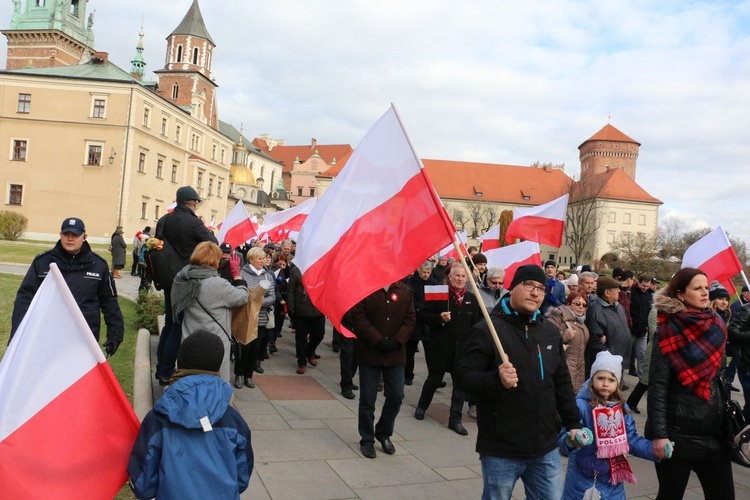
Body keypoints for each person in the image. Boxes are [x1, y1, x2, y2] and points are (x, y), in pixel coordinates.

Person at [454, 264, 582, 499]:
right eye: (529, 285)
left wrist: (573, 422)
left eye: (541, 288)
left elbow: (561, 382)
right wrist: (495, 379)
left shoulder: (549, 332)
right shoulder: (487, 330)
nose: (535, 293)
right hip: (502, 447)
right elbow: (463, 376)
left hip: (545, 445)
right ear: (512, 288)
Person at [128, 331, 253, 499]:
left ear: (181, 362)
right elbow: (242, 478)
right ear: (217, 366)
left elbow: (143, 483)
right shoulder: (234, 421)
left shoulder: (158, 418)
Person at [646, 268, 735, 500]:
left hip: (714, 433)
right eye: (697, 288)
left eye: (706, 287)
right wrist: (659, 434)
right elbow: (657, 386)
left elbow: (721, 378)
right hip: (678, 435)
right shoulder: (668, 329)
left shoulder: (717, 324)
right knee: (670, 495)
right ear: (681, 295)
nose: (705, 293)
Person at [11, 217, 124, 356]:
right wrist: (17, 334)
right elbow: (25, 298)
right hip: (47, 335)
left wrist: (115, 333)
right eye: (66, 234)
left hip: (84, 338)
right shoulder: (42, 262)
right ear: (60, 235)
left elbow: (109, 301)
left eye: (75, 235)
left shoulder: (99, 265)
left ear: (84, 237)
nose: (70, 239)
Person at [559, 351, 660, 499]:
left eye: (611, 380)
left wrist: (655, 450)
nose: (605, 383)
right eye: (600, 378)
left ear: (617, 383)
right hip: (582, 480)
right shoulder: (581, 406)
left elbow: (630, 440)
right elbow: (564, 439)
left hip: (612, 480)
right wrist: (571, 440)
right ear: (592, 379)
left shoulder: (621, 410)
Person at [154, 185, 217, 385]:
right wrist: (204, 228)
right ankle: (165, 372)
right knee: (177, 326)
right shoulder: (194, 223)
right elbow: (212, 244)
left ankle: (160, 368)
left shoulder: (164, 220)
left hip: (166, 278)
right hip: (185, 280)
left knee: (168, 324)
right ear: (194, 202)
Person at [350, 281, 415, 459]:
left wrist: (397, 340)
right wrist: (377, 340)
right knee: (367, 400)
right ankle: (367, 439)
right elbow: (358, 317)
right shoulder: (366, 288)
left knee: (396, 396)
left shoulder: (404, 290)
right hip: (370, 352)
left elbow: (410, 319)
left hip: (395, 354)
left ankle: (384, 433)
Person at [415, 264, 481, 435]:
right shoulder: (439, 295)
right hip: (440, 347)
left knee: (460, 386)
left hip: (462, 351)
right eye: (457, 276)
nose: (460, 279)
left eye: (463, 276)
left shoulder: (472, 300)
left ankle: (455, 419)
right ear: (450, 277)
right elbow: (422, 315)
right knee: (434, 379)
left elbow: (476, 326)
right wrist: (439, 318)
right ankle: (422, 407)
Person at [171, 242, 248, 382]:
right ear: (215, 260)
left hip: (190, 338)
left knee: (190, 380)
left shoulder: (182, 277)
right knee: (215, 383)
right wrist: (237, 275)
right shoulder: (217, 284)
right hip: (215, 343)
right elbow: (242, 297)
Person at [235, 247, 275, 388]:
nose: (262, 261)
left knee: (255, 349)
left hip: (261, 318)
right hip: (245, 317)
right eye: (260, 258)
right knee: (243, 348)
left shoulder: (267, 276)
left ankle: (248, 375)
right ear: (251, 259)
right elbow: (238, 293)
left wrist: (259, 302)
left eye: (263, 258)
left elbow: (272, 296)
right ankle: (239, 374)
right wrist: (250, 300)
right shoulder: (242, 274)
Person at [585, 276, 632, 386]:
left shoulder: (618, 306)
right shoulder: (596, 311)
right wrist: (610, 359)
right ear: (607, 293)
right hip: (608, 364)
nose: (619, 291)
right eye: (616, 289)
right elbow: (596, 342)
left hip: (620, 359)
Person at [546, 291, 590, 393]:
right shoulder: (557, 318)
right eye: (577, 304)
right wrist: (564, 335)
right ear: (568, 303)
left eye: (584, 305)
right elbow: (547, 339)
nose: (581, 307)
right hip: (563, 368)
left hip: (579, 369)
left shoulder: (581, 321)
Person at [405, 260, 439, 386]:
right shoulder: (411, 282)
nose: (426, 275)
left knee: (431, 353)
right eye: (423, 272)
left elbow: (437, 300)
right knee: (410, 351)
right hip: (415, 321)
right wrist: (420, 308)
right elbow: (410, 300)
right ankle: (408, 375)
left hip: (428, 323)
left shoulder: (434, 283)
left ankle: (433, 377)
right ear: (418, 271)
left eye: (428, 272)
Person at [287, 265, 325, 374]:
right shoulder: (296, 270)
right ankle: (301, 362)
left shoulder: (321, 267)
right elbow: (290, 290)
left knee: (319, 334)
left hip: (318, 309)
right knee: (301, 338)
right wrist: (291, 308)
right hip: (301, 310)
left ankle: (310, 352)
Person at [629, 273, 654, 378]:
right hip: (631, 327)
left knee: (642, 354)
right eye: (643, 286)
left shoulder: (649, 295)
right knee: (627, 353)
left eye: (647, 286)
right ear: (638, 283)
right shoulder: (631, 292)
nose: (645, 288)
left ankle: (641, 376)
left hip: (643, 329)